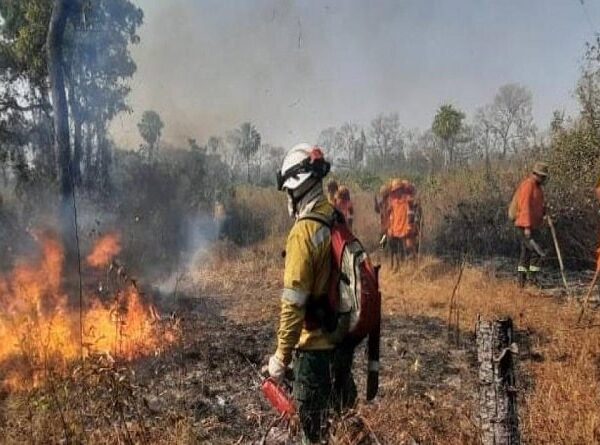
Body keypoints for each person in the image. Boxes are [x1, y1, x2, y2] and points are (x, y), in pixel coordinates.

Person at [269, 143, 356, 444]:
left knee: (314, 437)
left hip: (314, 357)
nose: (288, 199)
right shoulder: (334, 217)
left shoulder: (303, 232)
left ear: (297, 186)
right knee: (341, 431)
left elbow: (293, 304)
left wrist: (281, 358)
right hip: (341, 348)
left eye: (288, 192)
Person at [510, 161, 549, 288]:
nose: (543, 179)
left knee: (526, 254)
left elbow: (539, 206)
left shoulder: (538, 188)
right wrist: (527, 227)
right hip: (524, 226)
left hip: (533, 226)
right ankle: (531, 279)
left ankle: (522, 283)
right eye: (542, 176)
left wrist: (545, 213)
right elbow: (525, 206)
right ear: (535, 174)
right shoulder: (528, 185)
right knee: (537, 253)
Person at [388, 178, 410, 270]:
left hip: (405, 228)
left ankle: (407, 267)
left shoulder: (407, 200)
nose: (396, 192)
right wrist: (390, 228)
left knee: (405, 248)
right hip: (395, 228)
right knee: (395, 249)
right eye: (395, 190)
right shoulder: (393, 201)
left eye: (398, 190)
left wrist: (409, 226)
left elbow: (409, 214)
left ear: (401, 189)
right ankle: (397, 266)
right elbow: (391, 215)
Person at [374, 183, 391, 249]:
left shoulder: (390, 202)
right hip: (384, 223)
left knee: (386, 237)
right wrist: (375, 202)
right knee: (383, 237)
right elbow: (377, 210)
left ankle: (384, 250)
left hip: (389, 223)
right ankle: (383, 250)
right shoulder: (382, 202)